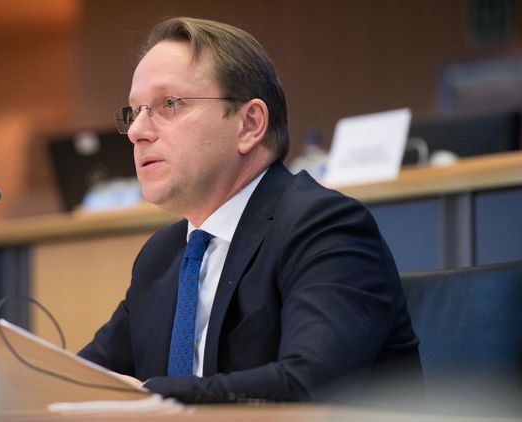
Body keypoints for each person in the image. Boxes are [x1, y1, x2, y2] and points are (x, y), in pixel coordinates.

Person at [79, 16, 422, 404]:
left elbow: (307, 385)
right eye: (134, 112)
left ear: (249, 124)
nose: (137, 131)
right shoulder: (161, 257)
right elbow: (78, 379)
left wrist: (146, 397)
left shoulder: (324, 228)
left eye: (169, 104)